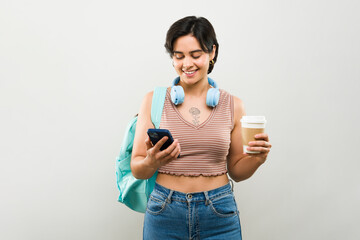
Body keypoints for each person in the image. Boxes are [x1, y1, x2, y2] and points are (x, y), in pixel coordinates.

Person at [131, 16, 272, 239]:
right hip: (164, 211)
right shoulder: (154, 100)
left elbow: (237, 171)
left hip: (219, 212)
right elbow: (137, 169)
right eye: (179, 56)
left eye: (195, 55)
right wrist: (152, 161)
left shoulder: (233, 105)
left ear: (212, 52)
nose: (187, 64)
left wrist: (257, 158)